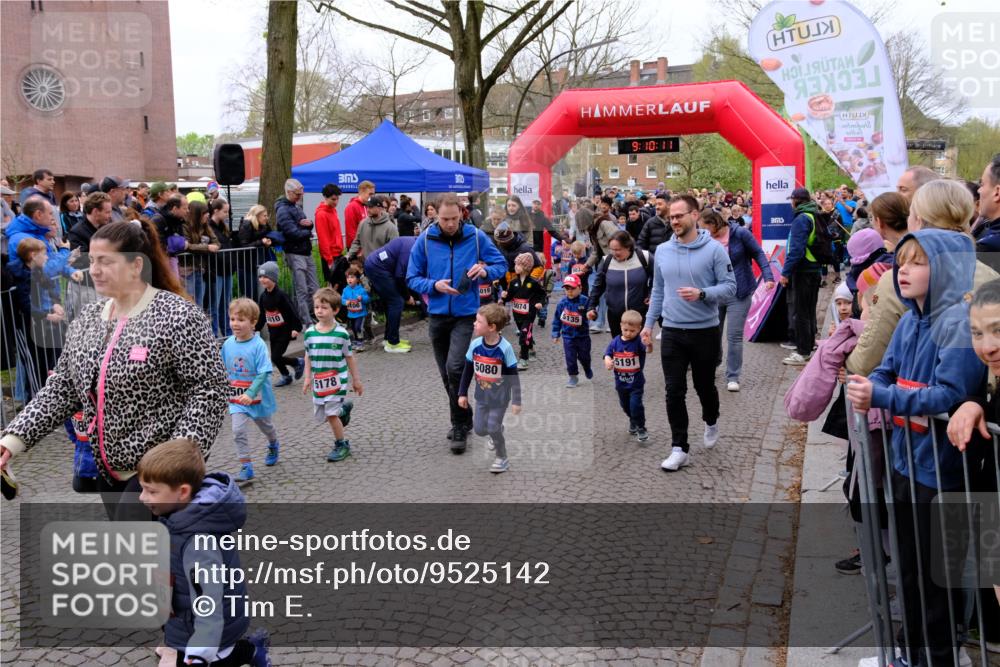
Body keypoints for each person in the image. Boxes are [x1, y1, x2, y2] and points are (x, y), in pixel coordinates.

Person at [0, 221, 227, 521]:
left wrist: (178, 460)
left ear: (136, 265)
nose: (94, 270)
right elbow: (64, 386)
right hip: (107, 470)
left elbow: (209, 389)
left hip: (156, 475)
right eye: (92, 260)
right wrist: (12, 440)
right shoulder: (89, 317)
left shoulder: (177, 315)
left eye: (105, 261)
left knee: (142, 558)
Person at [846, 229, 985, 667]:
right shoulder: (909, 321)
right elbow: (885, 371)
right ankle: (909, 655)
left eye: (917, 262)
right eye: (902, 261)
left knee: (935, 584)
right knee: (908, 573)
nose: (903, 270)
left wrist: (881, 396)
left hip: (941, 475)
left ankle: (938, 658)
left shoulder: (958, 323)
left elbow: (948, 394)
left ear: (943, 268)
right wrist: (879, 387)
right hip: (905, 463)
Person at [136, 439, 271, 666]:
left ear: (183, 492)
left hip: (206, 632)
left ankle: (250, 650)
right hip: (186, 620)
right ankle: (251, 650)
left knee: (220, 657)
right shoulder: (179, 518)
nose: (142, 497)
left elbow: (209, 601)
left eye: (151, 491)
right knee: (225, 655)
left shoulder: (198, 541)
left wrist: (199, 652)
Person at [640, 194, 736, 472]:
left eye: (679, 215)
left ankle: (711, 418)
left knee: (704, 387)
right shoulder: (664, 251)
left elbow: (730, 287)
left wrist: (703, 293)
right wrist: (648, 325)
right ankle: (679, 448)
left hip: (705, 331)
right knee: (673, 391)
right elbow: (658, 290)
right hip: (671, 331)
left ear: (695, 215)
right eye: (671, 217)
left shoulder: (715, 250)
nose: (674, 221)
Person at [406, 193, 507, 453]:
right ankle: (465, 414)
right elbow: (411, 277)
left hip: (466, 315)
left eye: (454, 218)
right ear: (434, 215)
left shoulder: (475, 236)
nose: (450, 224)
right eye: (444, 219)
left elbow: (500, 264)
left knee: (455, 368)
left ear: (461, 214)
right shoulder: (426, 240)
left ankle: (459, 425)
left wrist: (485, 272)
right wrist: (433, 285)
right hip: (438, 315)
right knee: (445, 374)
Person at [698, 209, 775, 392]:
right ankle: (713, 363)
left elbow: (759, 254)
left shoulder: (740, 233)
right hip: (714, 293)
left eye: (704, 227)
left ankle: (733, 376)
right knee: (712, 334)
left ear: (715, 224)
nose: (701, 231)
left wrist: (769, 277)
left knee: (733, 336)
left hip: (738, 292)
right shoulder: (703, 238)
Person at [219, 297, 282, 484]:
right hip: (237, 399)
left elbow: (264, 372)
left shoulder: (259, 345)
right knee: (238, 430)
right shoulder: (227, 344)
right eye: (232, 319)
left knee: (267, 427)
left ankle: (273, 444)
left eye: (240, 320)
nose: (235, 324)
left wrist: (250, 393)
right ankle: (246, 466)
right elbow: (222, 369)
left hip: (258, 397)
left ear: (253, 322)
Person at [457, 303, 522, 474]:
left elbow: (513, 376)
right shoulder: (475, 345)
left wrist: (516, 401)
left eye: (478, 322)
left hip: (500, 399)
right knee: (479, 430)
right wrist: (462, 393)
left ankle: (502, 457)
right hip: (482, 397)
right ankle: (497, 431)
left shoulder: (505, 348)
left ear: (492, 327)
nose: (474, 324)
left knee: (492, 427)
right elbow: (468, 370)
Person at [302, 287, 363, 462]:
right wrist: (307, 378)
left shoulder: (341, 334)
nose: (319, 311)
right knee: (322, 416)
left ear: (335, 310)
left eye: (324, 307)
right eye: (316, 307)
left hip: (337, 382)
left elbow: (350, 358)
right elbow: (308, 356)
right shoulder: (310, 333)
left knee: (330, 415)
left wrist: (356, 380)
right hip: (320, 381)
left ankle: (341, 444)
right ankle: (343, 411)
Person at [780, 187, 824, 366]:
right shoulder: (813, 215)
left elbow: (796, 250)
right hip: (814, 269)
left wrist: (786, 272)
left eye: (792, 200)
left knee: (801, 313)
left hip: (803, 270)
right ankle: (809, 344)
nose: (791, 203)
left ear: (797, 201)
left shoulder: (801, 219)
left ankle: (803, 352)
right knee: (809, 310)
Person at [585, 231, 652, 339]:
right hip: (615, 316)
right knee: (618, 349)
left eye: (618, 249)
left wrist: (651, 293)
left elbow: (657, 279)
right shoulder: (606, 261)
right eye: (612, 249)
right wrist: (591, 307)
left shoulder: (644, 257)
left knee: (638, 349)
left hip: (639, 315)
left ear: (628, 247)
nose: (614, 253)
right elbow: (597, 286)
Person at [275, 178, 318, 327]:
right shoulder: (283, 210)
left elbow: (304, 226)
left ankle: (315, 315)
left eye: (301, 194)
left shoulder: (297, 207)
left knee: (314, 287)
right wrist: (307, 231)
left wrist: (309, 225)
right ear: (288, 192)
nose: (300, 197)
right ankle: (306, 321)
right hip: (295, 252)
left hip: (306, 251)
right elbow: (292, 233)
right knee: (302, 289)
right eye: (297, 194)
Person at [254, 261, 303, 387]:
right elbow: (262, 315)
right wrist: (256, 328)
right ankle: (287, 374)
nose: (262, 280)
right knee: (274, 357)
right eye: (260, 277)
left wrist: (296, 328)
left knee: (275, 357)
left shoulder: (281, 296)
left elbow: (292, 312)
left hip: (285, 331)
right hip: (273, 331)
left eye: (266, 277)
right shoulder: (263, 296)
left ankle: (296, 363)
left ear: (273, 278)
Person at [364, 236, 417, 353]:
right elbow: (400, 275)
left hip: (376, 266)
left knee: (392, 302)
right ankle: (393, 343)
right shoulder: (410, 249)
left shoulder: (413, 241)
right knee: (397, 302)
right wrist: (407, 297)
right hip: (377, 268)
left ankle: (388, 339)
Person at [604, 310, 651, 442]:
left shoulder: (638, 342)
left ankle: (641, 427)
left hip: (636, 383)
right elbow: (607, 354)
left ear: (639, 329)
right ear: (620, 326)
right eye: (626, 330)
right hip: (621, 384)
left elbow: (648, 350)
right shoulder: (615, 342)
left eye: (632, 331)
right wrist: (607, 361)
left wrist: (649, 344)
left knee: (636, 405)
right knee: (625, 406)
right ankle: (633, 420)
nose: (629, 333)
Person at [499, 252, 546, 370]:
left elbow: (542, 294)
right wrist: (504, 296)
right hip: (517, 314)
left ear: (526, 267)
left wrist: (540, 303)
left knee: (524, 334)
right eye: (515, 264)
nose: (515, 267)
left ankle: (523, 359)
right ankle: (531, 349)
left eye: (518, 265)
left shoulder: (534, 282)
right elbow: (509, 297)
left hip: (529, 313)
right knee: (525, 333)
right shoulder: (513, 282)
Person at [551, 274, 593, 388]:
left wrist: (592, 315)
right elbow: (556, 319)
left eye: (573, 288)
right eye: (567, 288)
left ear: (580, 287)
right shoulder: (562, 303)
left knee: (585, 357)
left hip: (583, 336)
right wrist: (555, 334)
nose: (569, 291)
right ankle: (573, 376)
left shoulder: (585, 301)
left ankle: (587, 367)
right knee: (570, 358)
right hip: (568, 336)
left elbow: (592, 312)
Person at [180, 200, 219, 310]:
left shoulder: (205, 226)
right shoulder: (184, 226)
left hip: (200, 268)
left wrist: (206, 246)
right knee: (190, 302)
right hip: (187, 270)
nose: (207, 215)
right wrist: (206, 247)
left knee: (199, 303)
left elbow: (216, 242)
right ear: (197, 214)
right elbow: (187, 246)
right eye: (204, 213)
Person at [207, 199, 235, 336]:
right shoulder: (209, 227)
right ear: (216, 211)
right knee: (215, 305)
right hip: (216, 270)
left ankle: (227, 332)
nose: (226, 214)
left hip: (227, 269)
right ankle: (214, 334)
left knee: (226, 303)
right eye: (224, 211)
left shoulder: (223, 227)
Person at [236, 204, 274, 299]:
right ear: (257, 216)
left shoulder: (264, 225)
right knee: (250, 292)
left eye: (267, 215)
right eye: (264, 216)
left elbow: (269, 234)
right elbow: (244, 245)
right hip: (246, 265)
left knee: (261, 292)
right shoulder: (246, 225)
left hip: (259, 263)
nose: (267, 218)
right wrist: (261, 242)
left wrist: (268, 241)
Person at [347, 194, 399, 262]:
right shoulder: (363, 223)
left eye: (371, 207)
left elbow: (394, 250)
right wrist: (349, 255)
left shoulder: (391, 227)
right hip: (365, 265)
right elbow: (357, 242)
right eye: (367, 207)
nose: (368, 209)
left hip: (382, 267)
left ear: (380, 208)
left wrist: (378, 260)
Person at [973, 154, 1000, 272]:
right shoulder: (985, 228)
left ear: (997, 193)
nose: (979, 190)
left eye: (982, 184)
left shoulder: (990, 247)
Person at [315, 184, 345, 288]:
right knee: (333, 287)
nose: (336, 202)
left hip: (338, 253)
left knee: (340, 285)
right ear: (326, 197)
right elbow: (323, 239)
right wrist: (329, 260)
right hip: (330, 256)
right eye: (333, 199)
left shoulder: (333, 210)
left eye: (337, 199)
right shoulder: (321, 214)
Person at [342, 266, 371, 351]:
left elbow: (367, 299)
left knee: (358, 327)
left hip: (360, 313)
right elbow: (342, 299)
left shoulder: (361, 290)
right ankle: (356, 341)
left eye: (352, 277)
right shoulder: (345, 290)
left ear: (357, 279)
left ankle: (361, 342)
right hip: (351, 313)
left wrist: (362, 298)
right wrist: (345, 302)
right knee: (353, 328)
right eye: (347, 277)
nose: (349, 279)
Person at [344, 180, 374, 248]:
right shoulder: (351, 207)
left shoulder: (367, 206)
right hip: (356, 249)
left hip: (366, 247)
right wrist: (358, 249)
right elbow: (351, 232)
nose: (372, 197)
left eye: (373, 194)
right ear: (362, 192)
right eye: (370, 194)